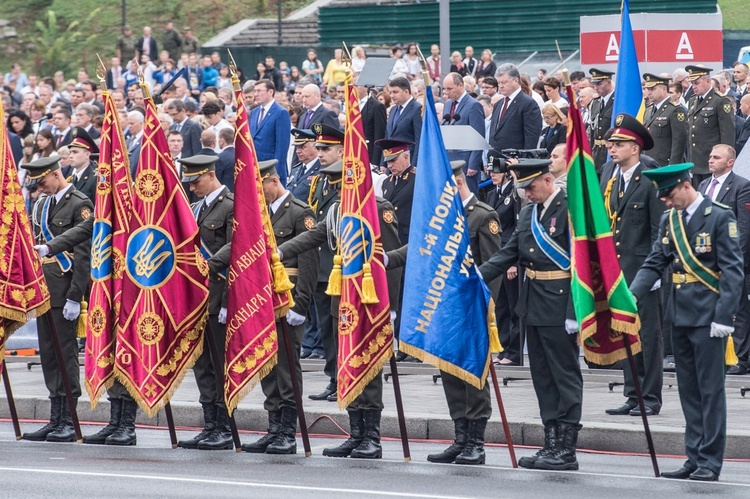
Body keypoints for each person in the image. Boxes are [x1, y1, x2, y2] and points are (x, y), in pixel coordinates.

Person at [278, 159, 402, 459]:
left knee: (368, 366)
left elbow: (391, 261)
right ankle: (356, 433)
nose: (336, 190)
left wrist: (393, 307)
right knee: (347, 366)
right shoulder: (337, 211)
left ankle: (371, 437)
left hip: (371, 302)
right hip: (342, 302)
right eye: (335, 185)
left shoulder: (378, 208)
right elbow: (314, 236)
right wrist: (278, 250)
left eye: (340, 184)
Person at [629, 163, 743, 482]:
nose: (666, 202)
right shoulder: (671, 220)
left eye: (668, 195)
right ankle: (693, 456)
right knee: (688, 391)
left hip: (709, 318)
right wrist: (628, 297)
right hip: (679, 315)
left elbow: (733, 271)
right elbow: (654, 263)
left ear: (684, 186)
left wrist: (725, 316)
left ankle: (710, 460)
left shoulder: (719, 216)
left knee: (710, 391)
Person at [390, 160, 499, 465]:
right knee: (450, 373)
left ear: (458, 183)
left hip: (471, 310)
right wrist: (388, 258)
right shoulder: (443, 217)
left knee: (473, 376)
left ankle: (476, 442)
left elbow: (494, 268)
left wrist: (488, 310)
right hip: (445, 308)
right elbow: (420, 246)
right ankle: (460, 437)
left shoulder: (482, 216)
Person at [479, 159, 583, 471]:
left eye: (531, 186)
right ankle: (550, 442)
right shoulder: (528, 213)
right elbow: (507, 254)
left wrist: (574, 312)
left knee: (564, 376)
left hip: (561, 304)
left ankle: (567, 447)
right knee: (542, 377)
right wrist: (472, 278)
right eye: (522, 188)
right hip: (533, 303)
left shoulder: (570, 209)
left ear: (549, 179)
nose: (526, 193)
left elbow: (582, 263)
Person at [209, 159, 318, 455]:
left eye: (262, 188)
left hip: (288, 298)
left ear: (274, 181)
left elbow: (308, 263)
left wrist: (301, 306)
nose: (259, 195)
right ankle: (274, 428)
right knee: (268, 363)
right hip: (262, 298)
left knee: (287, 368)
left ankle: (288, 433)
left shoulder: (299, 212)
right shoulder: (261, 215)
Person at [22, 156, 93, 443]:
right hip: (44, 290)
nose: (40, 189)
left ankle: (69, 419)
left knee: (64, 355)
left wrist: (75, 296)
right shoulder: (41, 205)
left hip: (65, 290)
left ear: (55, 174)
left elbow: (84, 254)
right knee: (49, 355)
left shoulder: (80, 203)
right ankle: (55, 417)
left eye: (42, 182)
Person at [598, 114, 665, 417]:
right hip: (617, 270)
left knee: (647, 335)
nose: (612, 148)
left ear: (635, 147)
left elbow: (657, 229)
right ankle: (632, 393)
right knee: (624, 331)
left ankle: (649, 397)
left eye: (619, 144)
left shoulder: (651, 178)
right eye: (611, 143)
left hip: (643, 271)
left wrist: (656, 273)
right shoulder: (609, 176)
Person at [175, 155, 235, 451]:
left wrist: (225, 303)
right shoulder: (198, 207)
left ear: (211, 175)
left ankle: (224, 426)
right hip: (198, 297)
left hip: (219, 294)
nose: (192, 186)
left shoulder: (231, 205)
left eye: (196, 180)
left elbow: (235, 248)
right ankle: (209, 424)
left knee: (219, 364)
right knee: (202, 365)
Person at [698, 145, 750, 375]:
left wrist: (733, 260)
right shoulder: (703, 185)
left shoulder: (742, 186)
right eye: (710, 156)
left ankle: (740, 357)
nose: (710, 160)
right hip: (705, 259)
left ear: (730, 162)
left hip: (730, 260)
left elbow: (744, 227)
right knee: (710, 308)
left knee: (737, 308)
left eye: (716, 157)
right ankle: (716, 355)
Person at [484, 153, 521, 365]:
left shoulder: (514, 193)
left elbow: (516, 228)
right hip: (498, 255)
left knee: (514, 306)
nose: (493, 174)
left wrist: (513, 262)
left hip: (510, 255)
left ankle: (515, 351)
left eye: (497, 170)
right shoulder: (492, 194)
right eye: (491, 170)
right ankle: (504, 348)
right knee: (502, 306)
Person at [685, 65, 736, 187]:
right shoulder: (693, 100)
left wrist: (725, 160)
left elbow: (727, 133)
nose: (694, 86)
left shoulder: (720, 101)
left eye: (697, 83)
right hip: (696, 161)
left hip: (713, 160)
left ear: (708, 81)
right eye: (692, 83)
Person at [442, 72, 485, 193]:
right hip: (449, 162)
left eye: (450, 88)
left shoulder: (473, 105)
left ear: (461, 85)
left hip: (466, 164)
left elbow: (478, 136)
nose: (446, 92)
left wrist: (473, 164)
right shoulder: (448, 104)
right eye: (444, 89)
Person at [489, 64, 542, 153]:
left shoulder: (528, 104)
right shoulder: (498, 104)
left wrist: (523, 163)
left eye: (504, 82)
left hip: (515, 161)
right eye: (498, 83)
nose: (500, 86)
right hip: (496, 160)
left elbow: (531, 139)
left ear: (516, 80)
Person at [250, 79, 292, 186]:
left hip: (270, 168)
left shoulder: (280, 112)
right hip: (255, 167)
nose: (256, 94)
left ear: (270, 92)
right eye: (255, 91)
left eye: (259, 91)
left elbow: (282, 147)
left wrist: (276, 172)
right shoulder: (254, 112)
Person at [643, 73, 689, 166]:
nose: (649, 92)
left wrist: (672, 166)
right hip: (649, 163)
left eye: (653, 89)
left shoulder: (675, 110)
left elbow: (679, 142)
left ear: (664, 89)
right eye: (648, 89)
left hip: (665, 164)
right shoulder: (649, 110)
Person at [377, 139, 415, 246]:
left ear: (406, 157)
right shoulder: (386, 182)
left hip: (407, 239)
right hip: (389, 237)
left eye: (393, 160)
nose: (389, 166)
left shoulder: (418, 179)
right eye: (388, 162)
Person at [384, 77, 422, 163]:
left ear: (406, 92)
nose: (392, 96)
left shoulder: (417, 109)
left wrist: (415, 165)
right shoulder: (393, 110)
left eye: (395, 92)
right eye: (390, 92)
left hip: (408, 162)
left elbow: (419, 140)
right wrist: (383, 163)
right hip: (391, 162)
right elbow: (388, 137)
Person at [588, 68, 616, 171]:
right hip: (597, 152)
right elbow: (592, 129)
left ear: (608, 82)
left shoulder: (617, 102)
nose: (595, 88)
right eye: (594, 84)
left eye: (599, 84)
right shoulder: (595, 102)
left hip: (610, 151)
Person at [66, 127, 98, 202]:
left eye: (75, 152)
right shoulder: (70, 180)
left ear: (87, 154)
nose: (70, 156)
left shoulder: (95, 179)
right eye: (70, 152)